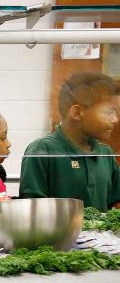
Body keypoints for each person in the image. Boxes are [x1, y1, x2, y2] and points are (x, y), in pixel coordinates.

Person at [19, 71, 120, 211]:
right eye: (109, 112)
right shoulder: (42, 150)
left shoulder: (106, 153)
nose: (115, 119)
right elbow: (33, 209)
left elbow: (115, 204)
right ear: (77, 113)